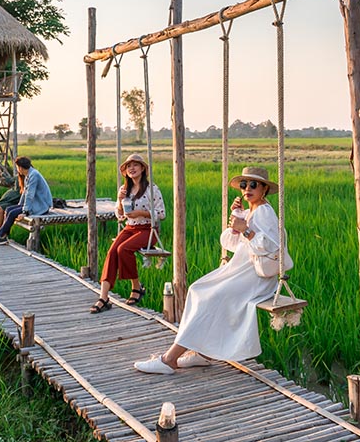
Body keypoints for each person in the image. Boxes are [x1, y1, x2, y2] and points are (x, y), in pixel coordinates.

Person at [133, 166, 292, 374]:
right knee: (197, 289)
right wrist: (237, 222)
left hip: (256, 276)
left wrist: (246, 229)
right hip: (241, 271)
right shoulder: (249, 212)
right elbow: (231, 244)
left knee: (212, 297)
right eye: (244, 185)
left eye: (253, 185)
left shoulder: (264, 211)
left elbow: (272, 246)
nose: (247, 189)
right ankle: (202, 354)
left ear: (264, 189)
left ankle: (169, 359)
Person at [89, 153, 166, 313]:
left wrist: (141, 213)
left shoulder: (152, 189)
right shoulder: (124, 190)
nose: (132, 168)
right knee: (112, 252)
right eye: (129, 166)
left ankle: (136, 287)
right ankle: (104, 297)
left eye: (135, 165)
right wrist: (119, 200)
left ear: (142, 168)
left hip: (148, 230)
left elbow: (161, 213)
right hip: (130, 227)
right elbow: (120, 215)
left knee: (123, 249)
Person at [0, 156, 52, 245]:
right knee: (9, 209)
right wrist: (19, 205)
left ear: (20, 167)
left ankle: (0, 236)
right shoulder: (29, 174)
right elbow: (24, 193)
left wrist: (25, 212)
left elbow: (30, 195)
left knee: (12, 213)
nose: (17, 169)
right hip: (34, 204)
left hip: (41, 206)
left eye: (17, 167)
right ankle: (0, 235)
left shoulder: (34, 175)